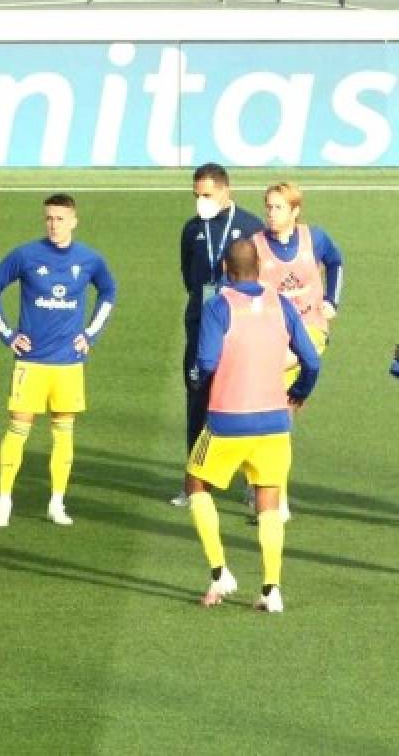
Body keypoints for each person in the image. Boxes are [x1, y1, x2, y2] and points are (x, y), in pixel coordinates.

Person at [183, 238, 319, 614]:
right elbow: (312, 360)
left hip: (228, 420)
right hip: (275, 421)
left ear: (226, 269)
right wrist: (299, 392)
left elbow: (207, 362)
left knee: (195, 483)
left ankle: (219, 572)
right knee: (269, 500)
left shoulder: (219, 306)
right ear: (259, 266)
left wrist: (196, 380)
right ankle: (271, 589)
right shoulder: (283, 304)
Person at [0, 194, 117, 528]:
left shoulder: (89, 259)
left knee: (63, 433)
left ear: (74, 220)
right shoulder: (26, 255)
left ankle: (57, 501)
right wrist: (8, 335)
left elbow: (109, 292)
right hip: (32, 361)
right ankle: (4, 500)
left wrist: (90, 335)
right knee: (17, 428)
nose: (53, 225)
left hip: (69, 363)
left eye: (60, 218)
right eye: (49, 219)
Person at [172, 163, 264, 507]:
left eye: (207, 195)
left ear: (227, 190)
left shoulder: (251, 227)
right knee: (197, 400)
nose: (201, 202)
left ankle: (255, 484)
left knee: (247, 402)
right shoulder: (192, 229)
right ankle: (194, 485)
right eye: (197, 196)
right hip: (199, 325)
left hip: (241, 330)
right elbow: (187, 275)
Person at [253, 182, 343, 522]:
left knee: (280, 417)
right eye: (268, 207)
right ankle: (269, 491)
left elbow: (336, 261)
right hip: (273, 335)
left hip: (310, 331)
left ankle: (272, 494)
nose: (271, 214)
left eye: (278, 207)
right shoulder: (256, 246)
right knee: (277, 422)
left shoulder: (314, 238)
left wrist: (331, 300)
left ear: (295, 211)